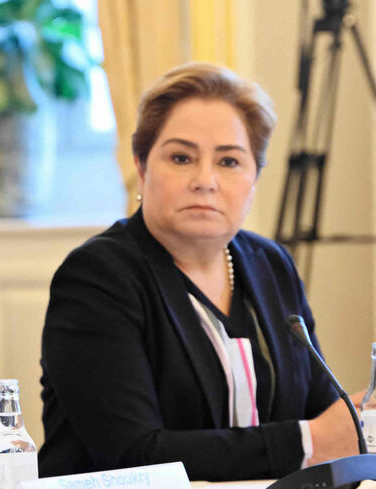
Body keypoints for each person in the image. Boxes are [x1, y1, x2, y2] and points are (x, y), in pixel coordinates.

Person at [38, 62, 361, 481]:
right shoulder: (97, 278)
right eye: (181, 157)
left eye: (229, 161)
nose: (205, 180)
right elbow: (133, 455)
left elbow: (320, 411)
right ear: (141, 166)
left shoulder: (271, 265)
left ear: (254, 179)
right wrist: (307, 442)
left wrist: (357, 424)